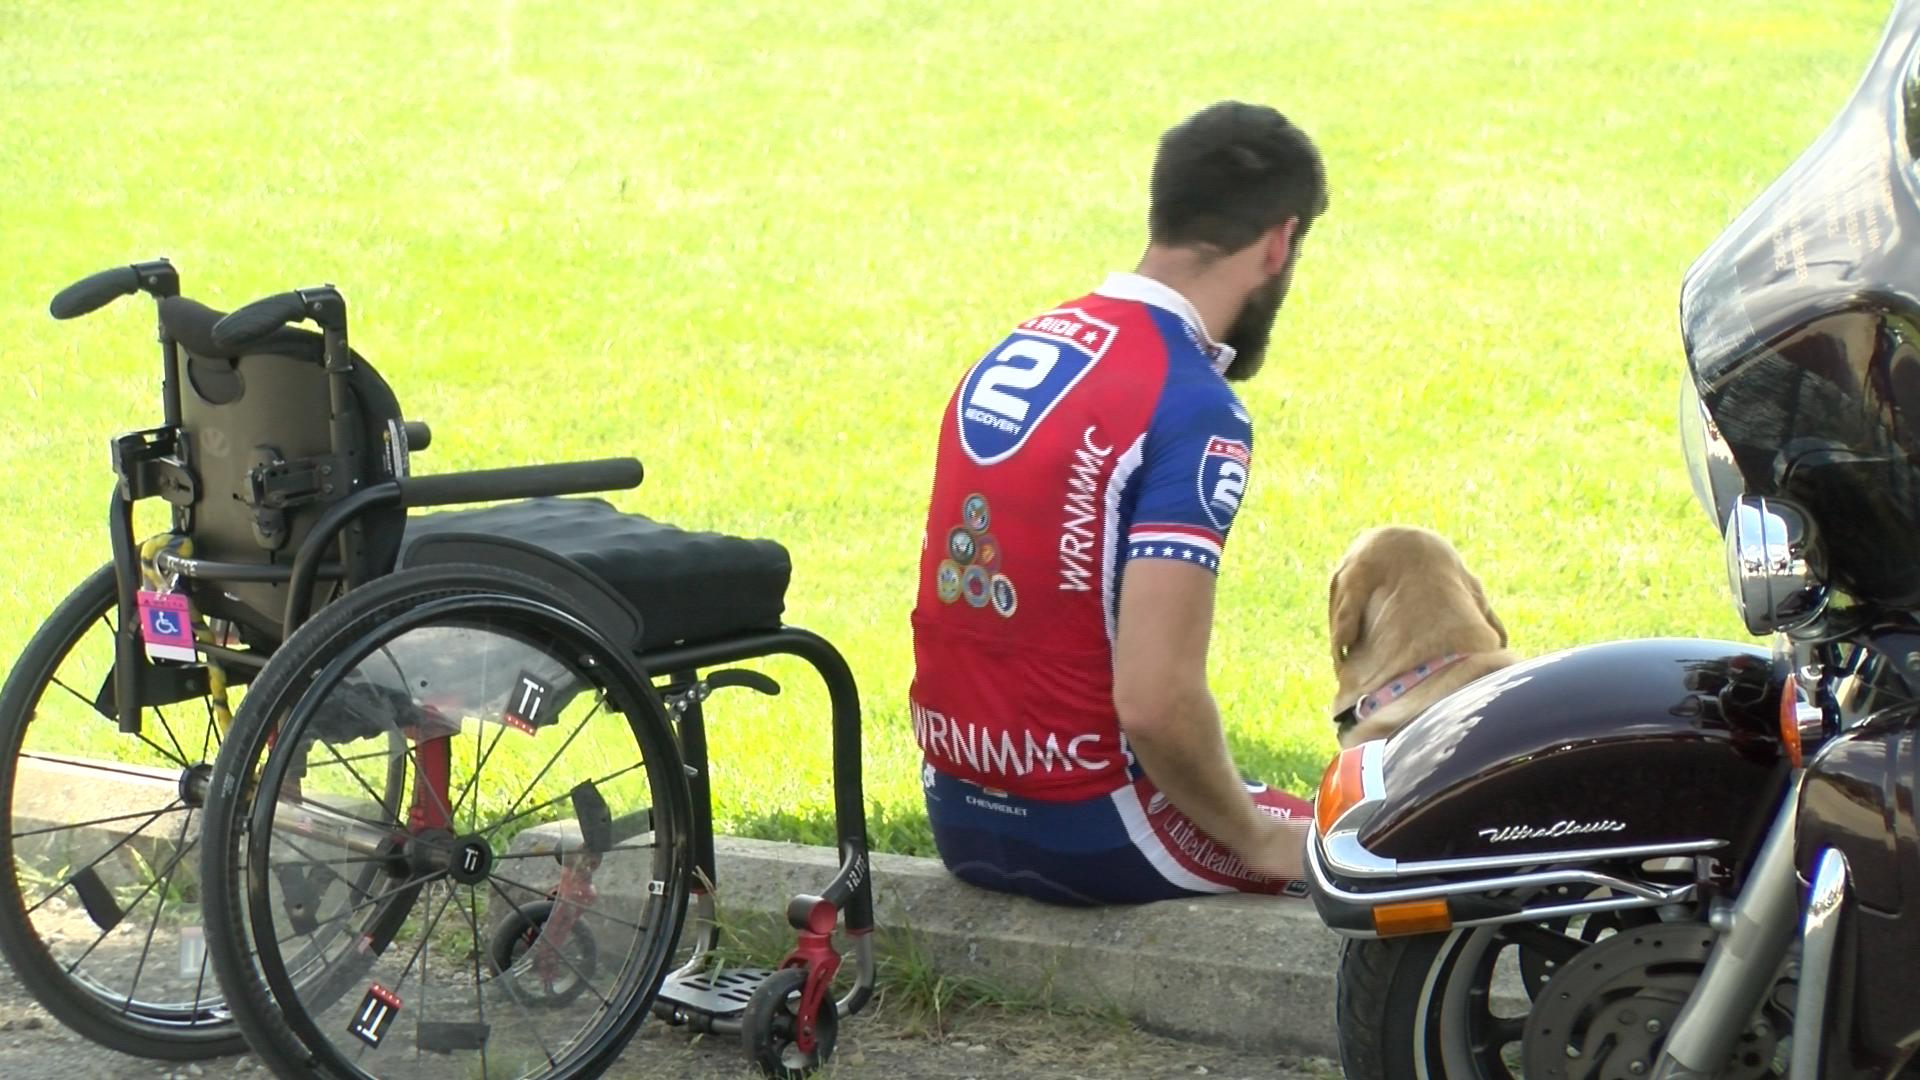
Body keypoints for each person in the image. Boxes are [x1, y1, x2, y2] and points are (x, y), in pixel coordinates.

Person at [909, 101, 1329, 905]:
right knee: (1373, 846)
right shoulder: (1195, 407)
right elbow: (1155, 703)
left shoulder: (1025, 340)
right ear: (1279, 241)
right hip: (1094, 831)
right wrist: (1258, 840)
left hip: (959, 812)